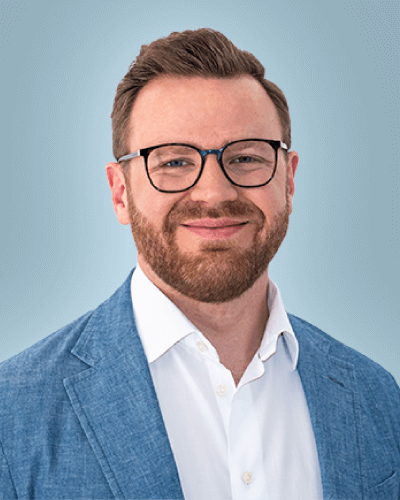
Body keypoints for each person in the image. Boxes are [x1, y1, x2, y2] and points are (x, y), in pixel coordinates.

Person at [0, 28, 399, 500]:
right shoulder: (13, 413)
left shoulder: (379, 400)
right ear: (120, 191)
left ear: (289, 181)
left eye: (246, 157)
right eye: (173, 162)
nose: (214, 192)